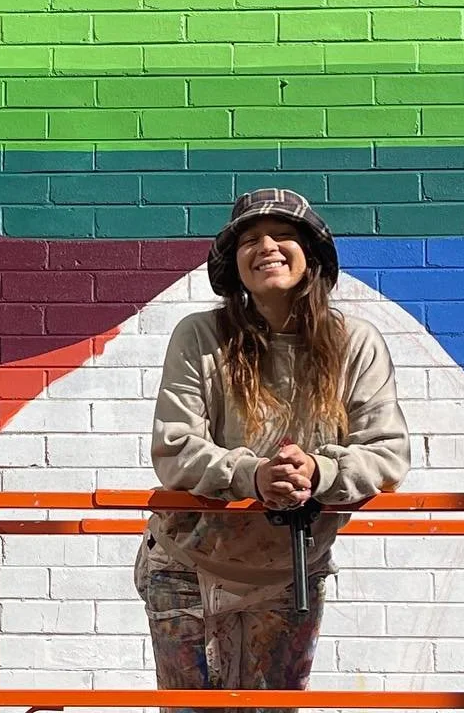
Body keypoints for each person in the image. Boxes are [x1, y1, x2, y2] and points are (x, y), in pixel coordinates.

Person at [134, 188, 411, 711]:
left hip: (291, 574)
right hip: (184, 565)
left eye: (285, 236)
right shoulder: (199, 336)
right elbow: (174, 448)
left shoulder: (355, 343)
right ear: (232, 263)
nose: (267, 247)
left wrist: (320, 472)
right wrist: (254, 477)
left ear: (312, 255)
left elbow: (387, 451)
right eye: (250, 240)